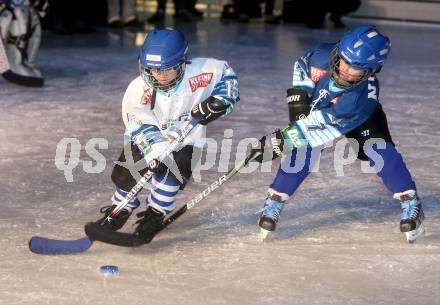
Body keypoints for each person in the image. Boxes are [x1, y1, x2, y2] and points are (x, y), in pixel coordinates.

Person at [250, 25, 425, 243]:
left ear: (371, 70)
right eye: (345, 60)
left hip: (357, 117)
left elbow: (321, 126)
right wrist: (299, 101)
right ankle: (275, 199)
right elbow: (302, 65)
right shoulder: (322, 54)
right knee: (303, 151)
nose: (346, 69)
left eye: (356, 68)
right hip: (322, 110)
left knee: (378, 150)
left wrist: (277, 143)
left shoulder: (362, 99)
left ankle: (411, 202)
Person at [92, 28, 240, 244]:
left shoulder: (202, 72)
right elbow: (137, 122)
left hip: (187, 139)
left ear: (182, 62)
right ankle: (121, 208)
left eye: (167, 69)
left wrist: (221, 101)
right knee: (128, 171)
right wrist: (155, 148)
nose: (159, 76)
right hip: (147, 141)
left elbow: (226, 75)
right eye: (152, 69)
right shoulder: (138, 89)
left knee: (173, 173)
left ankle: (155, 213)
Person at [0, 0, 46, 86]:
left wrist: (40, 5)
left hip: (26, 6)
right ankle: (14, 62)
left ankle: (28, 63)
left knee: (35, 32)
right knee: (16, 20)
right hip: (10, 8)